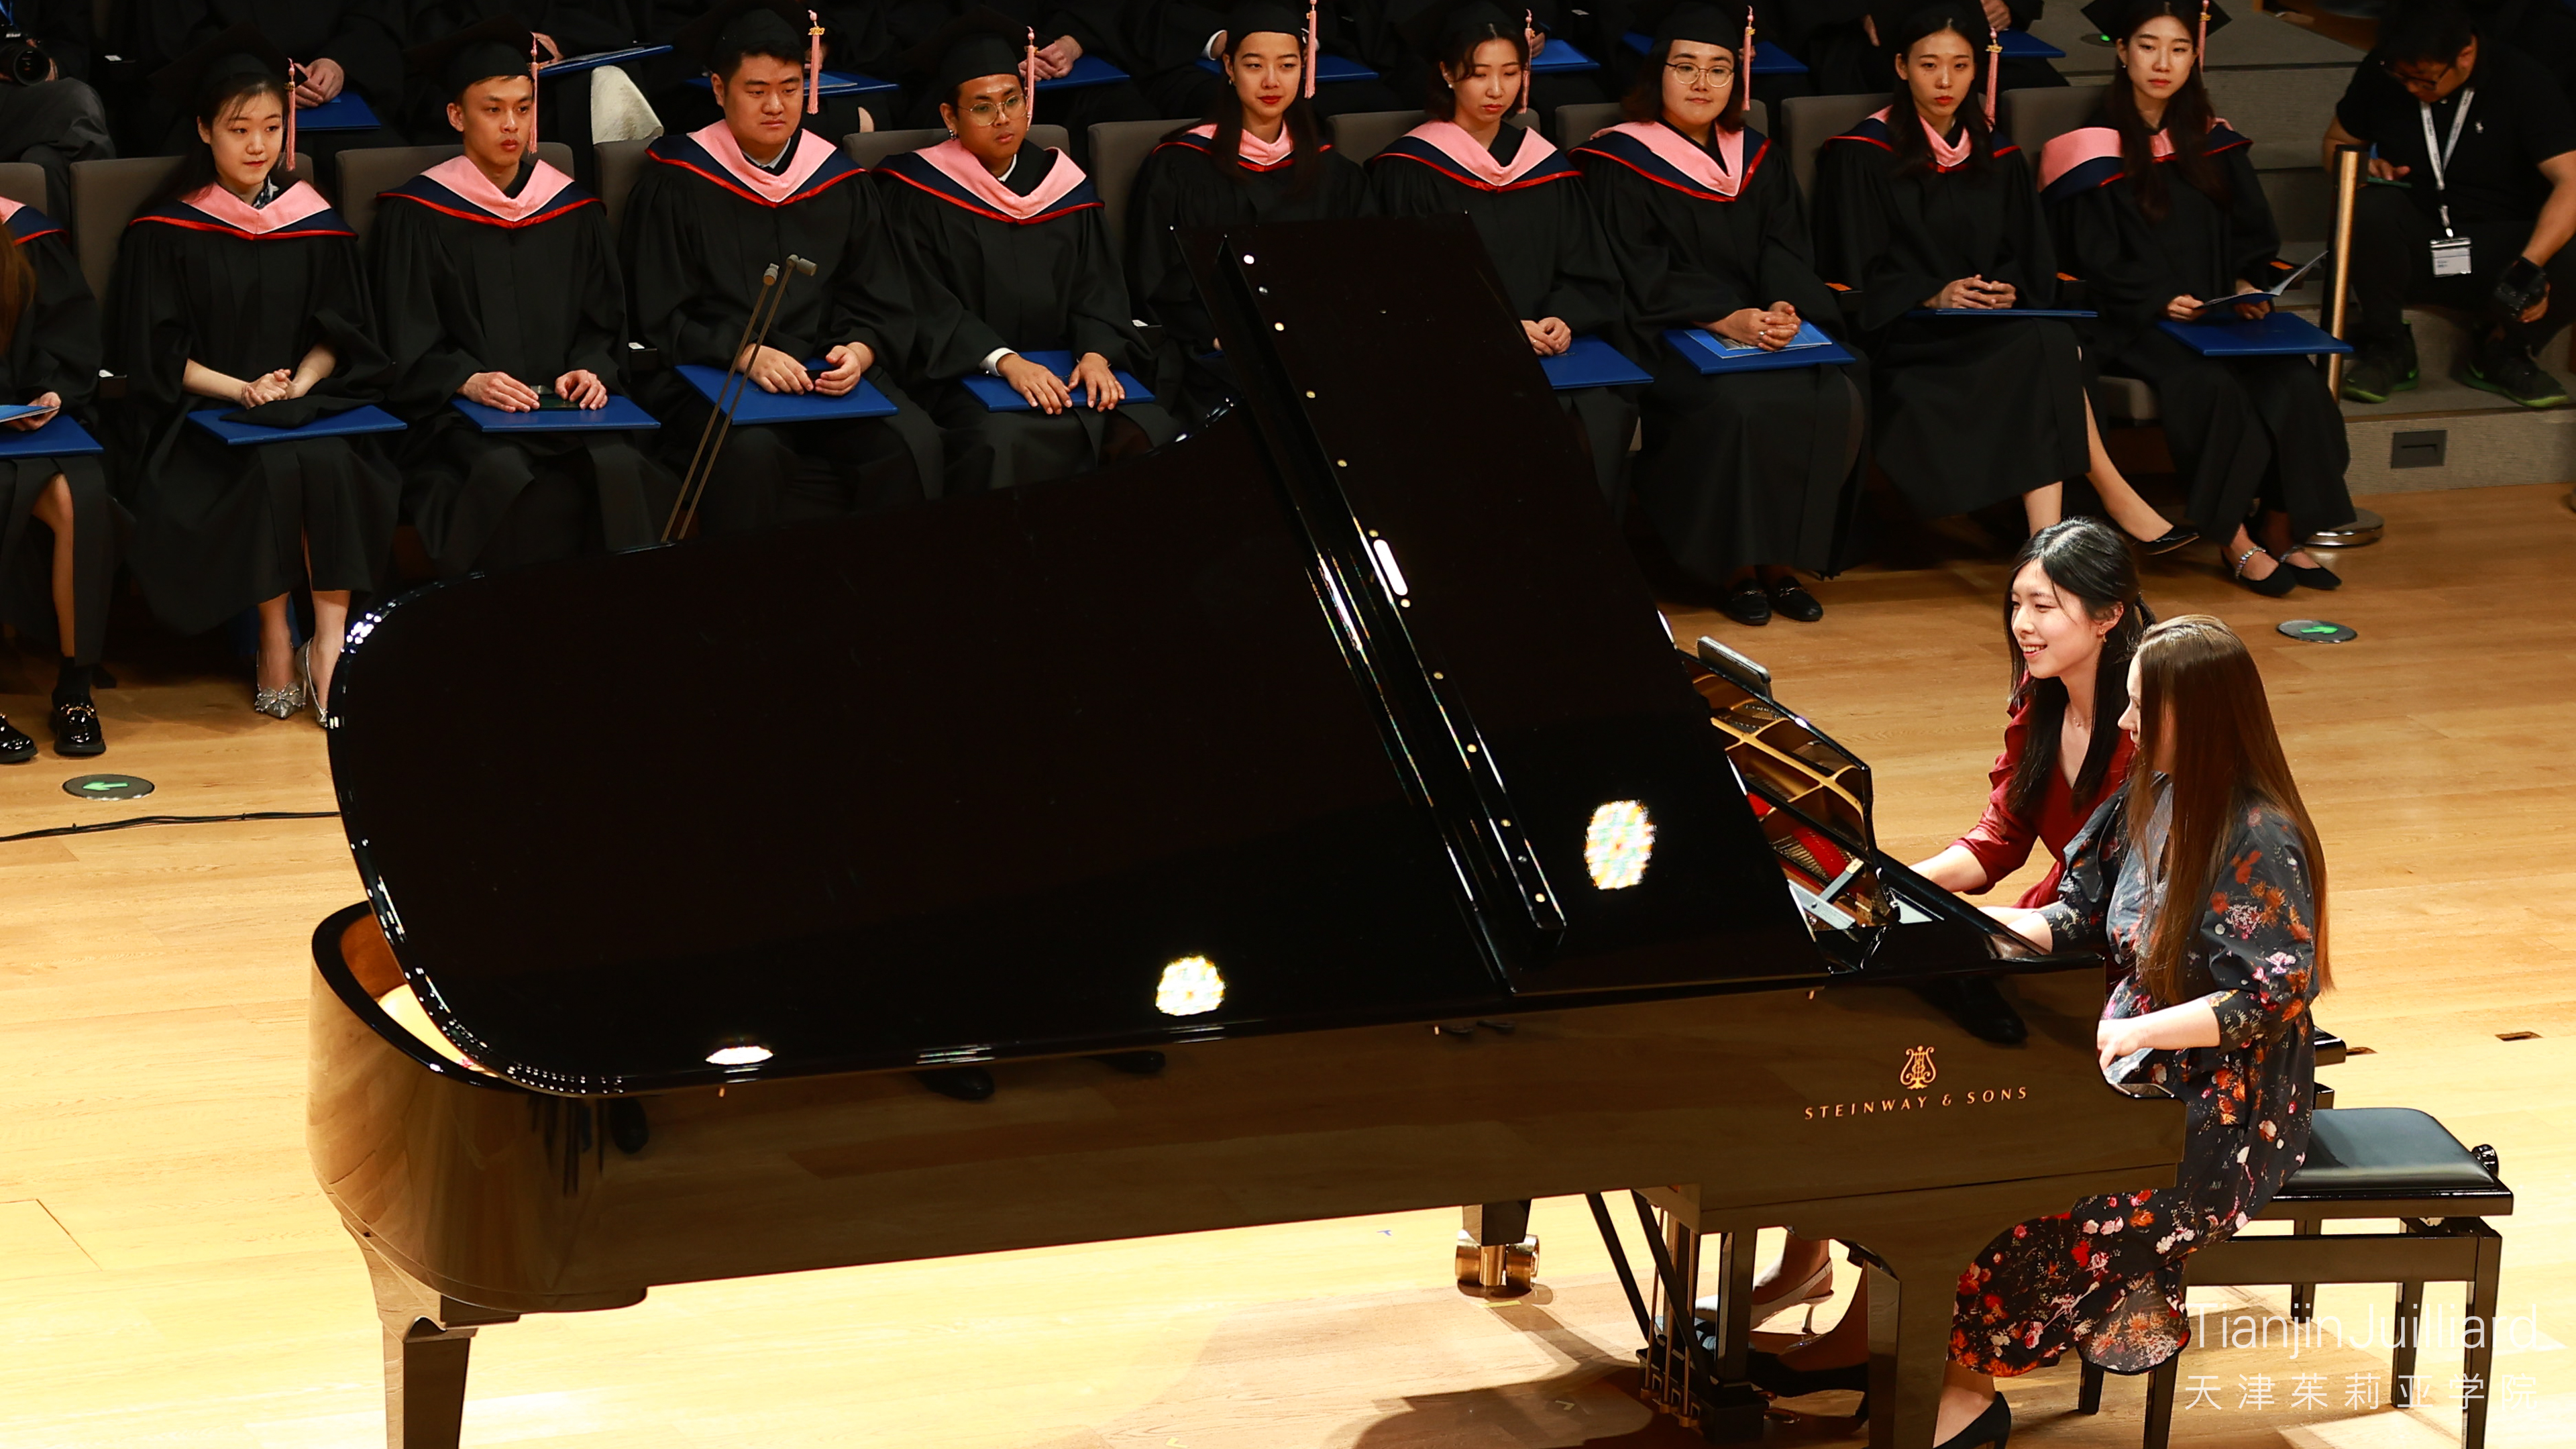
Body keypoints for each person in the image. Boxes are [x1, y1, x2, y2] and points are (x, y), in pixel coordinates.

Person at [1757, 613, 2326, 1449]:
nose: (2126, 724)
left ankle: (1963, 1396)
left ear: (2198, 715)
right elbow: (2081, 912)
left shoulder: (2260, 833)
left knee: (2027, 1199)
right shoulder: (2154, 795)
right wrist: (1951, 929)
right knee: (1943, 1142)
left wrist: (2141, 1035)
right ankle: (1905, 1359)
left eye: (2143, 709)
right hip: (2134, 1064)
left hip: (2221, 1113)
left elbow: (2274, 993)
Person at [1749, 517, 2147, 1350]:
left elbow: (2124, 901)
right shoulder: (2038, 702)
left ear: (2109, 615)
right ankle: (1808, 1258)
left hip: (2107, 956)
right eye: (2017, 604)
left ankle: (1878, 1322)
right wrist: (1870, 884)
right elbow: (1997, 839)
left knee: (1916, 1081)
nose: (2025, 624)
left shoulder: (2149, 729)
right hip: (2043, 922)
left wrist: (1995, 927)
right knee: (1859, 1009)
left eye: (2048, 605)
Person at [109, 25, 399, 724]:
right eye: (240, 128)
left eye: (272, 126)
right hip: (203, 416)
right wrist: (241, 390)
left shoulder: (314, 221)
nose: (258, 145)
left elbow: (345, 335)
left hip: (300, 402)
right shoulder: (165, 230)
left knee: (328, 459)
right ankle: (276, 634)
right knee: (274, 465)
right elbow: (153, 357)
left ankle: (331, 644)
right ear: (205, 129)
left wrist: (300, 382)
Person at [1813, 1, 2185, 543]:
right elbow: (1852, 272)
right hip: (1911, 335)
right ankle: (2102, 503)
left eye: (1961, 65)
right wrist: (1934, 295)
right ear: (1900, 67)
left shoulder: (1996, 152)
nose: (1946, 81)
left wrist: (2005, 287)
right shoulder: (1861, 154)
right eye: (1929, 64)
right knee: (2050, 343)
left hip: (1990, 329)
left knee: (2048, 337)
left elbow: (2028, 253)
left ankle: (2048, 542)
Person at [2041, 0, 2355, 594]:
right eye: (2148, 46)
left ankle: (2283, 529)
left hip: (2216, 317)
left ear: (2195, 59)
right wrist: (2159, 299)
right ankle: (2233, 536)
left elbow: (2252, 237)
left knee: (2296, 384)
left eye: (2179, 49)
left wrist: (2243, 284)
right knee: (2209, 388)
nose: (2163, 62)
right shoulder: (2086, 149)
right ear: (2121, 51)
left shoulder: (2213, 142)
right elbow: (2086, 256)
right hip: (2131, 323)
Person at [1574, 3, 1864, 625]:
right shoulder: (1617, 160)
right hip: (1668, 331)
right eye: (1687, 67)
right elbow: (1635, 270)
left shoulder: (1757, 156)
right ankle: (1734, 569)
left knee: (1830, 390)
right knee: (1737, 406)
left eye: (1719, 70)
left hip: (1754, 326)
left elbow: (1785, 249)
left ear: (1739, 79)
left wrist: (1785, 308)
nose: (1703, 84)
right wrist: (1723, 317)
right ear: (1659, 73)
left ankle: (1782, 563)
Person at [623, 0, 946, 535]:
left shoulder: (839, 181)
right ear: (720, 90)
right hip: (712, 376)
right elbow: (658, 314)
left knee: (910, 442)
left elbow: (881, 297)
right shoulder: (677, 181)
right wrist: (742, 351)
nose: (776, 106)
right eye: (757, 91)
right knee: (752, 453)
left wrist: (861, 348)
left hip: (822, 378)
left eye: (791, 88)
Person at [374, 18, 674, 578]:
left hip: (567, 413)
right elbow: (406, 339)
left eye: (523, 107)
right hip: (463, 420)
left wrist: (591, 368)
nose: (511, 125)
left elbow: (603, 321)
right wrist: (467, 379)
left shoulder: (572, 210)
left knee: (618, 468)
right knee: (507, 477)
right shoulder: (417, 215)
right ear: (457, 116)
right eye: (492, 110)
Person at [875, 11, 1179, 492]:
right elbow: (920, 301)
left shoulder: (1064, 185)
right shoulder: (913, 190)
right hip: (967, 376)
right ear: (950, 117)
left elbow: (1099, 289)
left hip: (1071, 370)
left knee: (1149, 428)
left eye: (1012, 100)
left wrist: (1097, 355)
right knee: (1001, 439)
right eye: (982, 107)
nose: (1003, 118)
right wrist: (1005, 360)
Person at [1371, 0, 1638, 508]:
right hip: (1456, 356)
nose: (1497, 90)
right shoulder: (1408, 170)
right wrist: (1497, 327)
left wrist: (1563, 317)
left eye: (1511, 73)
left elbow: (1588, 271)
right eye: (1479, 74)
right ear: (1448, 74)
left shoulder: (1546, 167)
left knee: (1597, 413)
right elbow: (1405, 288)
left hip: (1551, 352)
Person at [1128, 0, 1375, 425]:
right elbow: (1154, 279)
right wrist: (1216, 333)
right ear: (1229, 67)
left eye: (1288, 65)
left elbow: (1359, 270)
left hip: (1314, 343)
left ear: (1305, 68)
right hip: (1214, 352)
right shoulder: (1180, 165)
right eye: (1255, 65)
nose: (1272, 81)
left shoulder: (1335, 173)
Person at [2322, 1, 2576, 408]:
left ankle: (2504, 349)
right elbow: (2337, 142)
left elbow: (2572, 182)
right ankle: (2389, 345)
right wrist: (2364, 166)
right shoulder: (2384, 72)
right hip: (2416, 240)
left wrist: (2529, 266)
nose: (2409, 88)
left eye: (2424, 80)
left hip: (2500, 250)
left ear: (2466, 56)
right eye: (2400, 76)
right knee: (2365, 202)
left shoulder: (2524, 79)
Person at [0, 195, 113, 759]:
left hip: (20, 428)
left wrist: (49, 393)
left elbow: (68, 334)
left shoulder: (22, 234)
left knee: (79, 497)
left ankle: (75, 690)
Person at [402, 1, 668, 183]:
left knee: (611, 82)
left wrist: (557, 42)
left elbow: (611, 25)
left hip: (558, 84)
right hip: (469, 79)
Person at [138, 2, 409, 171]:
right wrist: (269, 76)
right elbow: (180, 38)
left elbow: (372, 16)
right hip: (231, 94)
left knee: (390, 172)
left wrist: (339, 63)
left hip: (335, 101)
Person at [0, 2, 114, 219]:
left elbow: (73, 47)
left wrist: (49, 67)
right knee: (79, 102)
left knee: (46, 162)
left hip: (27, 96)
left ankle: (54, 247)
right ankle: (105, 237)